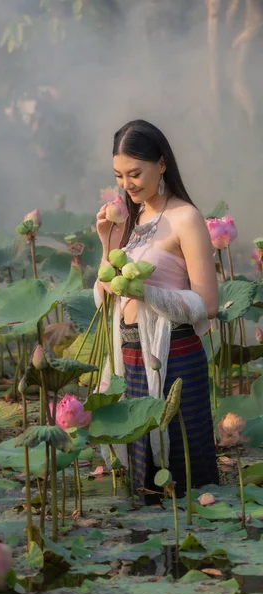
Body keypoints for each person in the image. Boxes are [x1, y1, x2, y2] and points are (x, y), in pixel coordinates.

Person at [94, 119, 219, 499]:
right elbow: (107, 299)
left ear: (161, 164)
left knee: (182, 474)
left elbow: (208, 304)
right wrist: (108, 243)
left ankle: (193, 551)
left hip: (174, 355)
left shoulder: (186, 217)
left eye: (135, 173)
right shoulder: (134, 220)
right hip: (130, 352)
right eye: (118, 175)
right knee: (143, 476)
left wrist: (146, 292)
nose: (126, 185)